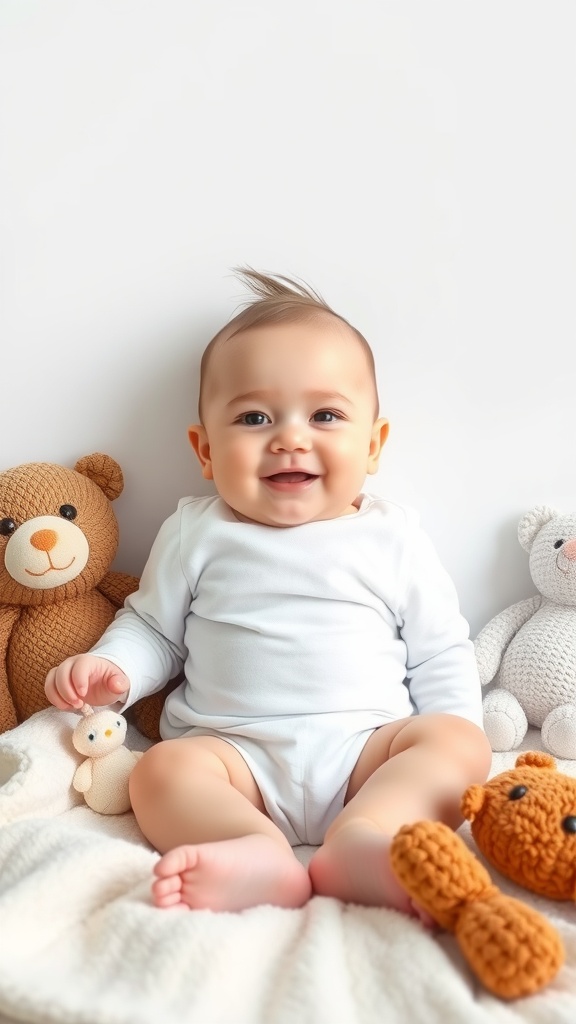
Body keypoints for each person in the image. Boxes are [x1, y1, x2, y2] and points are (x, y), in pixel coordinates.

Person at [45, 268, 492, 916]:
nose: (290, 436)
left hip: (368, 752)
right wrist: (115, 669)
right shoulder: (197, 529)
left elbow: (441, 653)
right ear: (205, 449)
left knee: (458, 745)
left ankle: (369, 837)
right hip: (234, 760)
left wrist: (453, 735)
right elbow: (154, 629)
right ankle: (253, 850)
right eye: (254, 416)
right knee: (158, 773)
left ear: (372, 444)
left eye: (325, 414)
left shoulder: (392, 537)